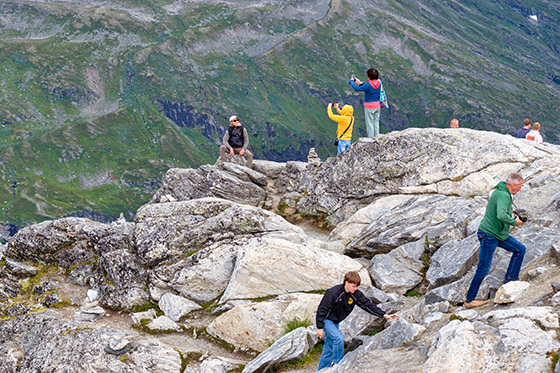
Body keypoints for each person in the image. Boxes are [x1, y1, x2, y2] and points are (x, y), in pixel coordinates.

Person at [464, 173, 526, 308]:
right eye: (519, 186)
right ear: (513, 185)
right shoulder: (503, 195)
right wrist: (514, 222)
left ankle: (510, 281)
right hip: (489, 235)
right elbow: (501, 215)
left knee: (520, 249)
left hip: (498, 234)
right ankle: (469, 300)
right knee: (483, 269)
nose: (520, 189)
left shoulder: (501, 191)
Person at [316, 271, 398, 370]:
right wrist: (320, 327)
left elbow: (368, 305)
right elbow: (322, 309)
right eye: (353, 286)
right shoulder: (333, 292)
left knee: (329, 347)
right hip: (326, 320)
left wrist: (384, 315)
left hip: (335, 321)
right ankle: (338, 365)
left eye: (356, 287)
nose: (355, 289)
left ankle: (321, 370)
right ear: (346, 282)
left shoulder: (355, 294)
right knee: (339, 339)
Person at [349, 68, 386, 138]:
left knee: (370, 124)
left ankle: (371, 140)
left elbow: (357, 88)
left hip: (369, 107)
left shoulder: (368, 85)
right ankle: (377, 137)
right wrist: (360, 83)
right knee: (376, 123)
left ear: (369, 76)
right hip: (377, 106)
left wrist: (351, 81)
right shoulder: (379, 82)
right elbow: (368, 86)